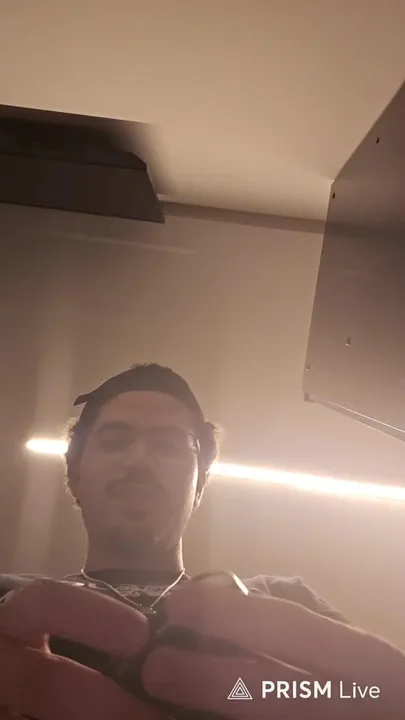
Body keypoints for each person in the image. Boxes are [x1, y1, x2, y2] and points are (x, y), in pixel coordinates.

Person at [0, 362, 404, 719]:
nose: (140, 460)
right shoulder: (9, 604)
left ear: (200, 484)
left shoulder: (280, 600)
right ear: (74, 474)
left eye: (169, 445)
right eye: (115, 440)